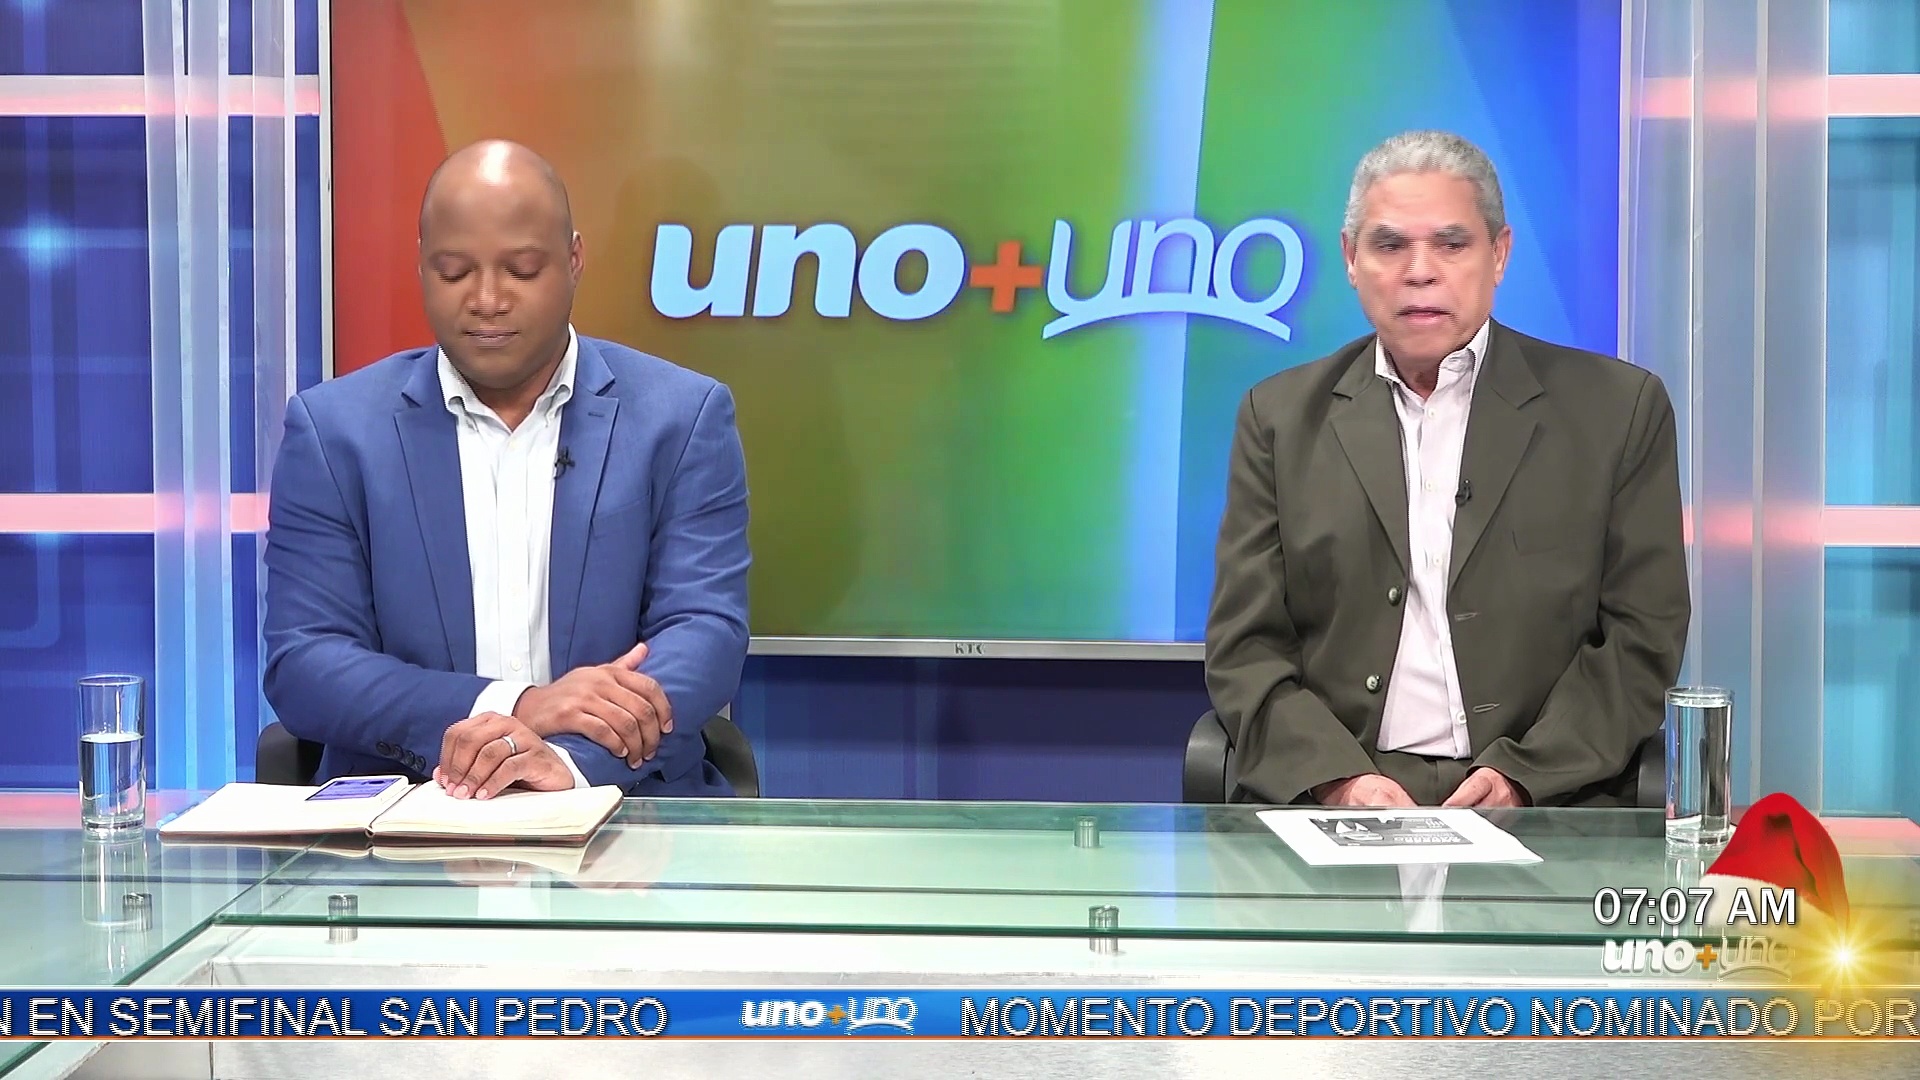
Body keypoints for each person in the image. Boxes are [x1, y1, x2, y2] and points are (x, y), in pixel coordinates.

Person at [1204, 130, 1689, 808]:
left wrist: (1525, 778)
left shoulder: (1617, 411)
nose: (1420, 271)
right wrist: (1339, 780)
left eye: (1452, 244)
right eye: (1389, 245)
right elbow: (1245, 648)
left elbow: (1642, 638)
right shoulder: (1280, 419)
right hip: (1342, 791)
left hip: (1547, 795)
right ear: (1350, 259)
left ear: (1500, 254)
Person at [263, 140, 750, 798]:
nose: (487, 299)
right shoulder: (334, 432)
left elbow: (704, 632)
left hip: (620, 809)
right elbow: (306, 663)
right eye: (454, 271)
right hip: (411, 818)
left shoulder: (682, 418)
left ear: (574, 260)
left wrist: (569, 762)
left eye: (521, 269)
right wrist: (520, 706)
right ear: (421, 265)